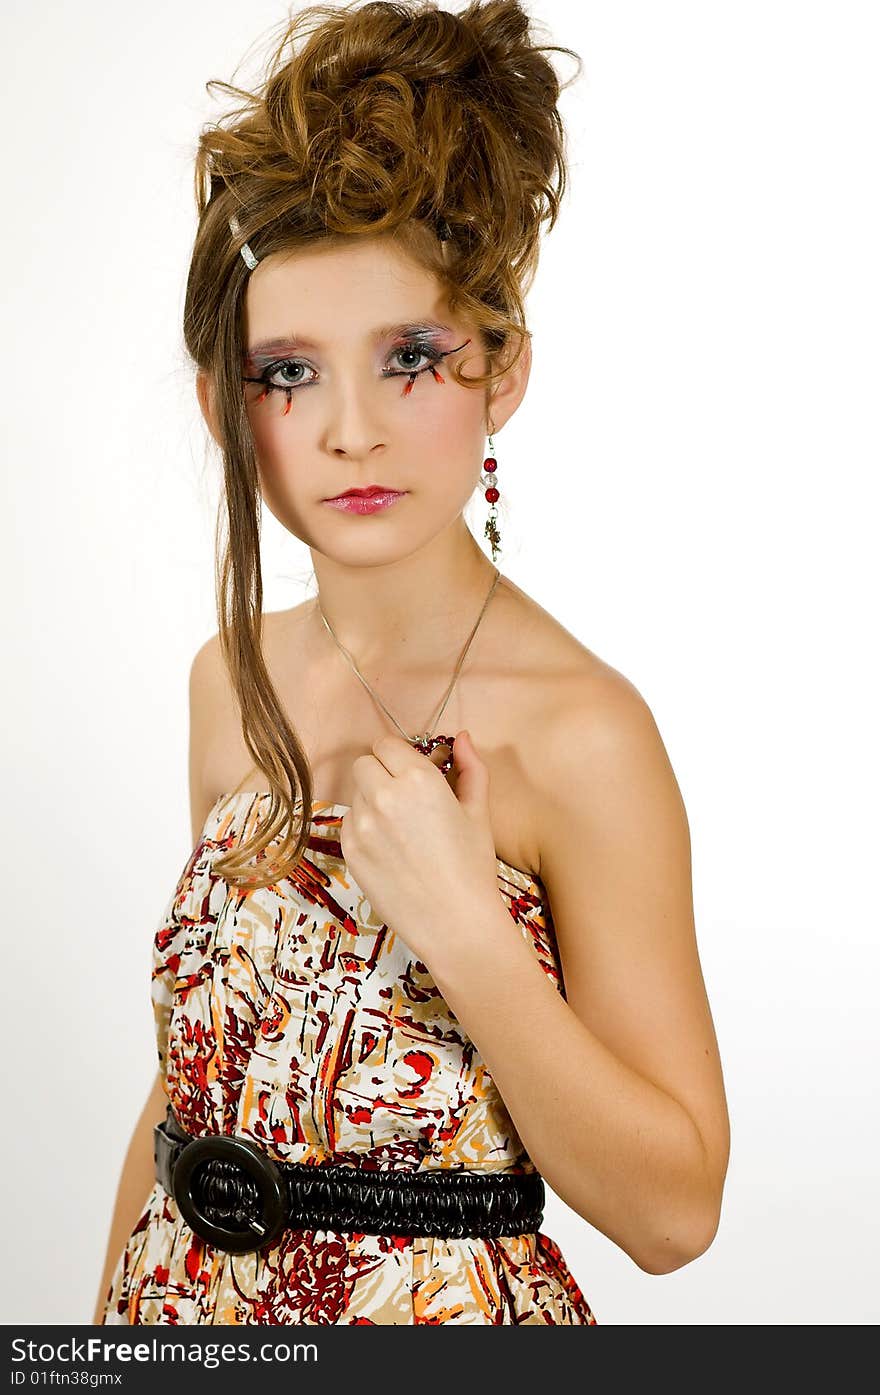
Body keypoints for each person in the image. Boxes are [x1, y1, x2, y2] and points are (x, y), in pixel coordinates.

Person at [93, 0, 729, 1326]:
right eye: (289, 373)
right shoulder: (232, 681)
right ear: (225, 404)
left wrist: (464, 930)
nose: (350, 431)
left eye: (409, 359)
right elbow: (198, 1082)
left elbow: (676, 1214)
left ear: (501, 372)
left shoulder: (581, 734)